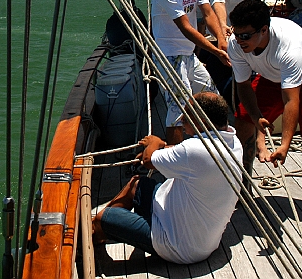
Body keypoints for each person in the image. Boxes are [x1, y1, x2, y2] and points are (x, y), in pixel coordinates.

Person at [92, 92, 243, 264]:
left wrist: (154, 142)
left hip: (179, 246)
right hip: (204, 239)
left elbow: (148, 160)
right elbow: (188, 154)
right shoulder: (233, 142)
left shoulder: (193, 150)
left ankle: (95, 232)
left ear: (200, 120)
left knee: (102, 218)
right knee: (137, 184)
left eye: (186, 117)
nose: (181, 121)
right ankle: (109, 227)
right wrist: (164, 146)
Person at [227, 0, 302, 232]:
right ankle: (244, 188)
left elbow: (291, 100)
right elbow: (242, 85)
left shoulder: (287, 46)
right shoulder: (237, 43)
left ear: (264, 30)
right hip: (270, 75)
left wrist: (285, 144)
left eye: (245, 36)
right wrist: (255, 117)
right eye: (236, 34)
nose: (239, 41)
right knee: (242, 120)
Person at [151, 0, 230, 144]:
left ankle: (215, 145)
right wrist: (215, 51)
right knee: (178, 108)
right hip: (169, 55)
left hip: (188, 55)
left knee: (212, 96)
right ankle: (176, 159)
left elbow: (208, 13)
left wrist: (222, 39)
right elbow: (186, 28)